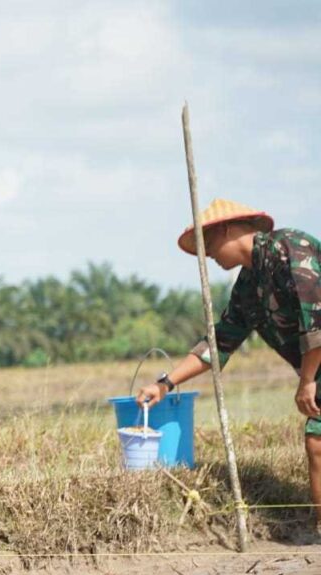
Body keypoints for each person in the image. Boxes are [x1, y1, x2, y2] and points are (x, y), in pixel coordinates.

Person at [137, 199, 321, 542]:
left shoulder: (290, 248)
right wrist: (164, 383)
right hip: (317, 372)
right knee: (317, 442)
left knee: (317, 441)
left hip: (316, 371)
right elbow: (219, 343)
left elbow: (317, 320)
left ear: (225, 229)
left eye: (206, 245)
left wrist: (307, 380)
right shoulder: (249, 287)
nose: (206, 256)